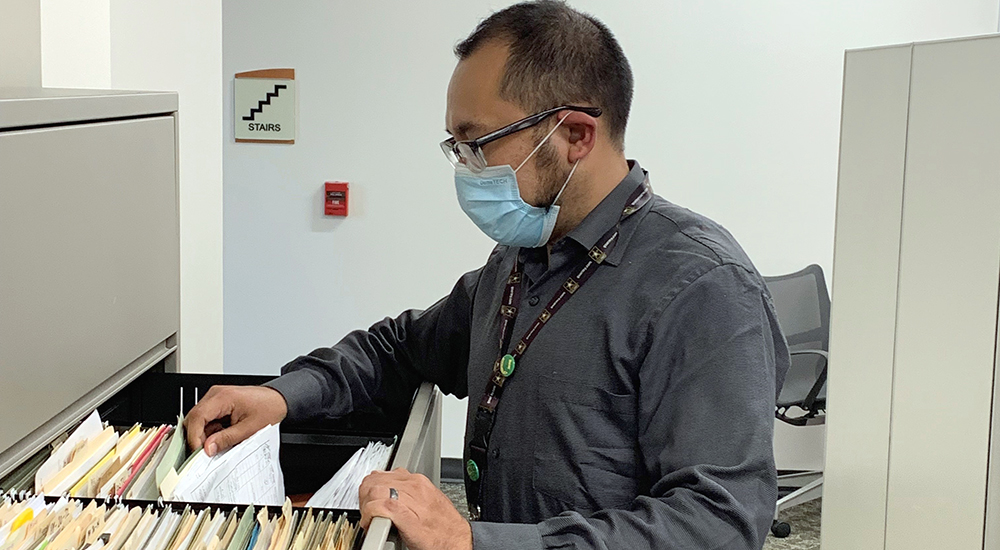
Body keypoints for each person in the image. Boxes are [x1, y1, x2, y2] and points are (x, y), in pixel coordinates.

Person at [185, 2, 790, 549]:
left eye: (478, 144)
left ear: (576, 134)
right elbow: (401, 350)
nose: (466, 170)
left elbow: (719, 524)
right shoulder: (520, 260)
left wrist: (476, 542)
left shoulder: (703, 287)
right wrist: (279, 397)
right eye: (455, 147)